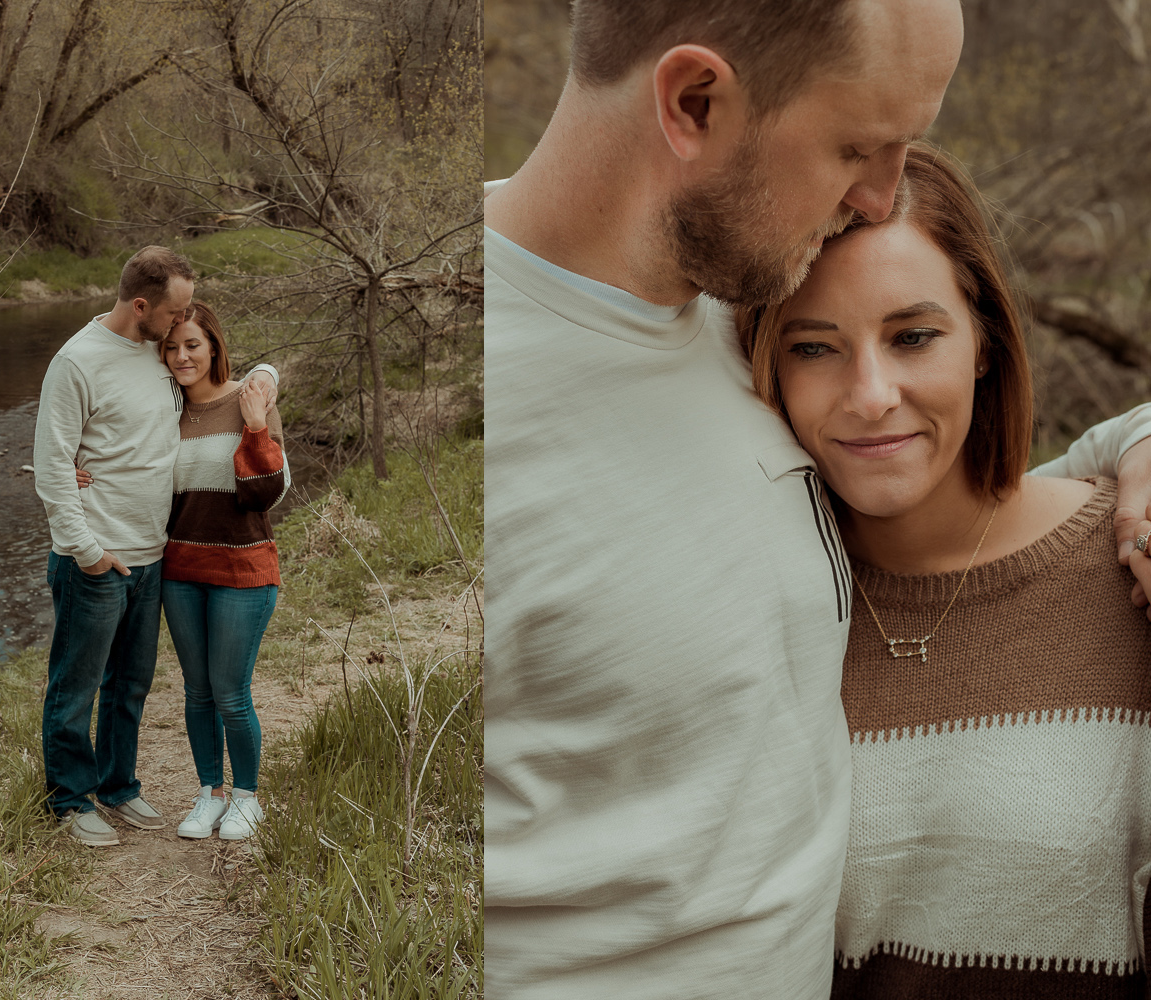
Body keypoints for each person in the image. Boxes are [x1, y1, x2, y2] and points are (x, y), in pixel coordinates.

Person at [483, 1, 1151, 996]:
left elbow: (966, 476)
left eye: (904, 148)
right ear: (693, 103)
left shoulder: (740, 296)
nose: (880, 197)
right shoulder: (478, 377)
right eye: (857, 147)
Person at [742, 144, 1151, 996]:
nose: (871, 394)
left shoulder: (1129, 566)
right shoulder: (754, 605)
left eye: (914, 336)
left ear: (985, 342)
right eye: (814, 348)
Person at [34, 247, 277, 848]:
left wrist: (267, 378)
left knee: (130, 684)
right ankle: (70, 800)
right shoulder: (76, 363)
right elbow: (51, 462)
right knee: (77, 685)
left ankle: (118, 787)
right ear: (141, 306)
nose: (179, 326)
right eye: (172, 315)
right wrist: (84, 549)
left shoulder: (159, 352)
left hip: (152, 555)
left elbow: (220, 359)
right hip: (96, 556)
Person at [153, 302, 288, 841]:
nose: (182, 356)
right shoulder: (163, 412)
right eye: (171, 346)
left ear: (213, 346)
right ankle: (210, 793)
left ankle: (247, 798)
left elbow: (268, 492)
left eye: (192, 345)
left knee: (230, 690)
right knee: (197, 691)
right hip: (180, 569)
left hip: (243, 569)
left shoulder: (250, 399)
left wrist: (255, 428)